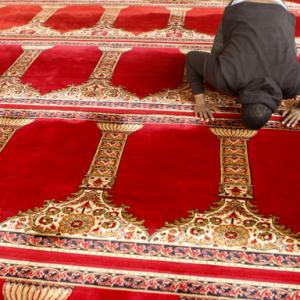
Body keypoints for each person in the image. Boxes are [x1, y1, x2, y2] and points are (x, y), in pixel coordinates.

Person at [185, 0, 300, 129]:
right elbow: (191, 58)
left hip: (278, 9)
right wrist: (200, 103)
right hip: (241, 6)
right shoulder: (225, 77)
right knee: (218, 56)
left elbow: (191, 58)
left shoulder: (292, 85)